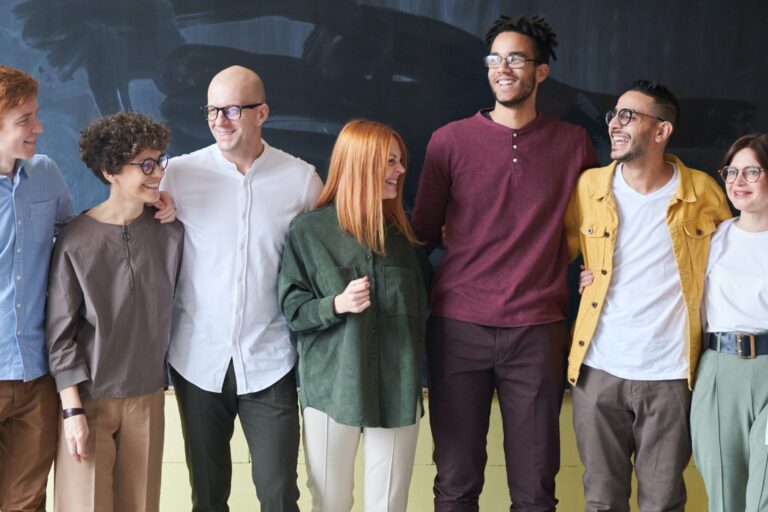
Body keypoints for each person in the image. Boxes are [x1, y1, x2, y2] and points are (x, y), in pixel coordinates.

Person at [411, 15, 597, 511]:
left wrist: (590, 269)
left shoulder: (574, 144)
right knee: (455, 483)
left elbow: (596, 226)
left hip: (538, 329)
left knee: (535, 489)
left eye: (516, 58)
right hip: (457, 327)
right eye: (495, 58)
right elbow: (422, 234)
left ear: (541, 72)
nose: (503, 68)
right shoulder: (449, 141)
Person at [160, 65, 323, 512]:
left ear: (262, 113)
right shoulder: (178, 174)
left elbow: (328, 253)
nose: (220, 121)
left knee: (279, 493)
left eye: (232, 110)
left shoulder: (301, 179)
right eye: (212, 110)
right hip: (197, 359)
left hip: (269, 358)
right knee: (208, 497)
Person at [565, 80, 731, 512]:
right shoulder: (588, 187)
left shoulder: (702, 192)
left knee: (663, 502)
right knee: (602, 501)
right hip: (598, 369)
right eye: (614, 115)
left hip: (671, 373)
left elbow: (735, 261)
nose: (614, 125)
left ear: (661, 130)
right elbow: (553, 253)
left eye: (628, 116)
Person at [278, 119, 429, 512]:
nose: (401, 170)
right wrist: (336, 305)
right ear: (363, 163)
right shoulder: (309, 232)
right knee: (330, 503)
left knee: (389, 505)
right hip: (332, 391)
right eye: (390, 161)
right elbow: (293, 309)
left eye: (400, 161)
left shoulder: (404, 239)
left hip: (396, 391)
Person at [45, 111, 183, 512]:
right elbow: (59, 337)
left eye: (159, 160)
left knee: (141, 505)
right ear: (110, 171)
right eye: (145, 165)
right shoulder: (75, 241)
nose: (158, 172)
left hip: (148, 395)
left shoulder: (170, 230)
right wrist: (72, 410)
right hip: (89, 399)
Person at [690, 134, 768, 512]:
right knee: (725, 499)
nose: (738, 181)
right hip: (718, 372)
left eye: (751, 171)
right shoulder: (712, 237)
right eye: (731, 172)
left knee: (762, 499)